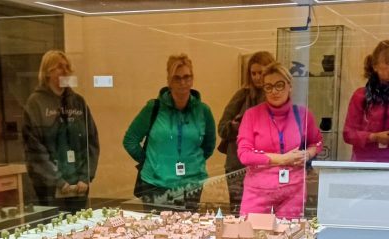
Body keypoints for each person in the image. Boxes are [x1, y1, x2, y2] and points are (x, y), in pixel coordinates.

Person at [123, 53, 216, 212]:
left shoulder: (203, 111)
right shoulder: (153, 108)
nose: (182, 83)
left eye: (186, 77)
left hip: (191, 186)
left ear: (192, 79)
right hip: (155, 186)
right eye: (177, 78)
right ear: (169, 81)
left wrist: (193, 162)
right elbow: (130, 140)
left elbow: (208, 146)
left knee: (188, 228)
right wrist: (151, 162)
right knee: (156, 228)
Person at [236, 62, 323, 219]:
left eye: (279, 85)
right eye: (268, 87)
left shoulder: (303, 114)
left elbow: (316, 142)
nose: (274, 91)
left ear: (290, 86)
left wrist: (308, 154)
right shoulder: (252, 115)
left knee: (289, 233)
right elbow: (244, 155)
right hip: (257, 191)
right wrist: (283, 159)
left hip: (293, 191)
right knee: (251, 232)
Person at [23, 50, 99, 214]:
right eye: (59, 67)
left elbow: (91, 142)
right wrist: (58, 181)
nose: (65, 71)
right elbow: (35, 150)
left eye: (67, 67)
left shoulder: (78, 102)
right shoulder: (36, 103)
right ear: (47, 72)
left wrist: (85, 177)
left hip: (79, 187)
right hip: (50, 188)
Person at [217, 51, 275, 213]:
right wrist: (238, 126)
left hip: (265, 166)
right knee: (238, 213)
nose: (257, 77)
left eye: (260, 73)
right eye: (253, 73)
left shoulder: (276, 97)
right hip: (238, 166)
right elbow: (222, 128)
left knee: (264, 214)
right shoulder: (242, 96)